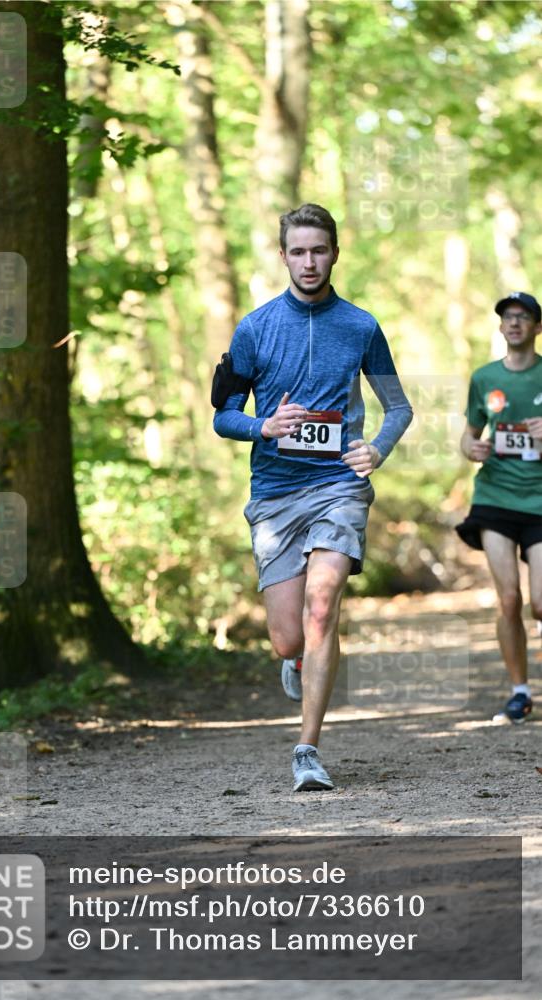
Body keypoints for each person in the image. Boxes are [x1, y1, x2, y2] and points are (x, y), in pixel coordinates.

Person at [213, 204, 413, 791]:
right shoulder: (253, 328)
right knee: (289, 634)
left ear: (334, 253)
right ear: (282, 256)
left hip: (339, 486)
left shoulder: (360, 326)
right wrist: (263, 428)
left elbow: (398, 407)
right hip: (275, 493)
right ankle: (294, 658)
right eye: (297, 251)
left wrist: (375, 448)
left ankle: (307, 749)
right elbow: (224, 415)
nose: (308, 262)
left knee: (323, 604)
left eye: (318, 250)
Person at [456, 291, 542, 723]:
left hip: (541, 502)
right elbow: (468, 437)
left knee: (540, 603)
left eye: (523, 317)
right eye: (507, 317)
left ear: (536, 327)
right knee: (508, 598)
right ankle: (519, 691)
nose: (513, 323)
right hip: (494, 498)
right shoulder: (484, 377)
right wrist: (472, 448)